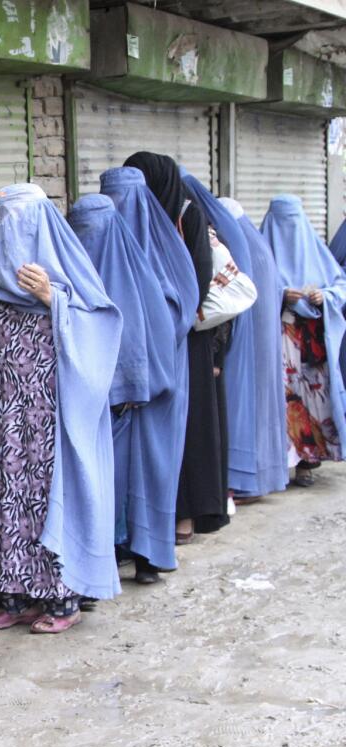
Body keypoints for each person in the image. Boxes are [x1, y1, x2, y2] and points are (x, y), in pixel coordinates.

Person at [0, 183, 122, 634]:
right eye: (0, 228)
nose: (8, 237)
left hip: (50, 419)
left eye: (18, 227)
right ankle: (18, 595)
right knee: (7, 501)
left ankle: (62, 602)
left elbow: (101, 321)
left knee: (47, 503)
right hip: (5, 417)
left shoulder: (61, 274)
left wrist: (51, 298)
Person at [68, 193, 176, 584]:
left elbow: (163, 333)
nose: (88, 237)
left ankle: (146, 556)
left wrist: (134, 383)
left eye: (94, 228)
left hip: (139, 403)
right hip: (88, 397)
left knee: (138, 480)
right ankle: (103, 560)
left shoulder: (138, 271)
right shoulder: (67, 269)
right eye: (79, 229)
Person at [124, 152, 229, 541]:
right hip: (148, 339)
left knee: (189, 427)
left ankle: (185, 516)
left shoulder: (188, 213)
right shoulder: (131, 214)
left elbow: (198, 280)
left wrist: (165, 316)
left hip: (187, 337)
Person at [99, 166, 199, 572]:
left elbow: (184, 310)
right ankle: (120, 546)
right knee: (117, 470)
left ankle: (152, 554)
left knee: (155, 468)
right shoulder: (100, 238)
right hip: (116, 385)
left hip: (163, 382)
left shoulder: (166, 251)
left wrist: (144, 360)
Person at [260, 194, 346, 486]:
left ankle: (308, 460)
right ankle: (282, 461)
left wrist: (326, 297)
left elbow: (340, 284)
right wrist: (280, 293)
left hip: (313, 340)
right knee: (283, 399)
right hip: (279, 338)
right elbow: (253, 289)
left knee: (314, 399)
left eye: (294, 223)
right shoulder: (262, 251)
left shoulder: (317, 249)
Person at [218, 197, 289, 497]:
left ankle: (240, 478)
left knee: (239, 403)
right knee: (261, 405)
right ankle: (259, 474)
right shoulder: (260, 245)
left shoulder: (238, 247)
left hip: (245, 341)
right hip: (265, 342)